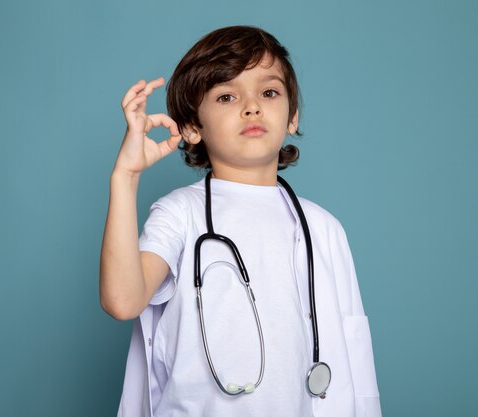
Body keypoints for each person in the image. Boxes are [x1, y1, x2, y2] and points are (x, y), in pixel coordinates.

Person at [100, 25, 381, 417]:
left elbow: (354, 361)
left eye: (269, 92)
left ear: (292, 116)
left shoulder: (322, 228)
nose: (252, 107)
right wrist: (126, 177)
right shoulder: (180, 213)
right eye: (227, 96)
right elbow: (123, 301)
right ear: (192, 128)